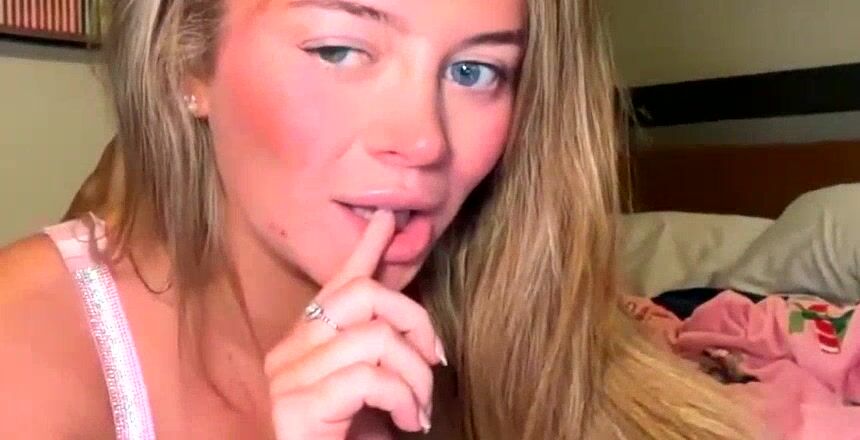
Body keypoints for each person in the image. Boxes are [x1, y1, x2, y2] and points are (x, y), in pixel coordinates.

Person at [0, 0, 755, 438]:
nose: (423, 141)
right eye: (339, 50)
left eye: (475, 71)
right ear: (185, 61)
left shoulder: (512, 322)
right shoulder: (27, 345)